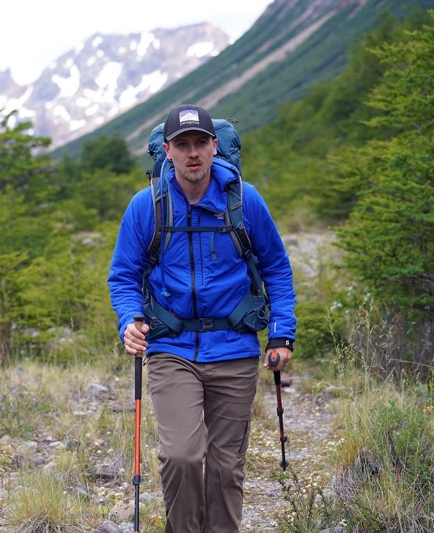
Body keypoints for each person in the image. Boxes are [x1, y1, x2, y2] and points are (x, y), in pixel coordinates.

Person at [108, 103, 296, 533]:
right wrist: (129, 320)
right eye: (182, 144)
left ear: (214, 146)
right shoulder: (147, 206)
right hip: (172, 349)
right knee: (183, 455)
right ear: (167, 151)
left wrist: (282, 334)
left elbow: (276, 268)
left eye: (199, 143)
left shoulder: (245, 200)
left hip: (236, 350)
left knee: (227, 466)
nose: (192, 153)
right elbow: (123, 275)